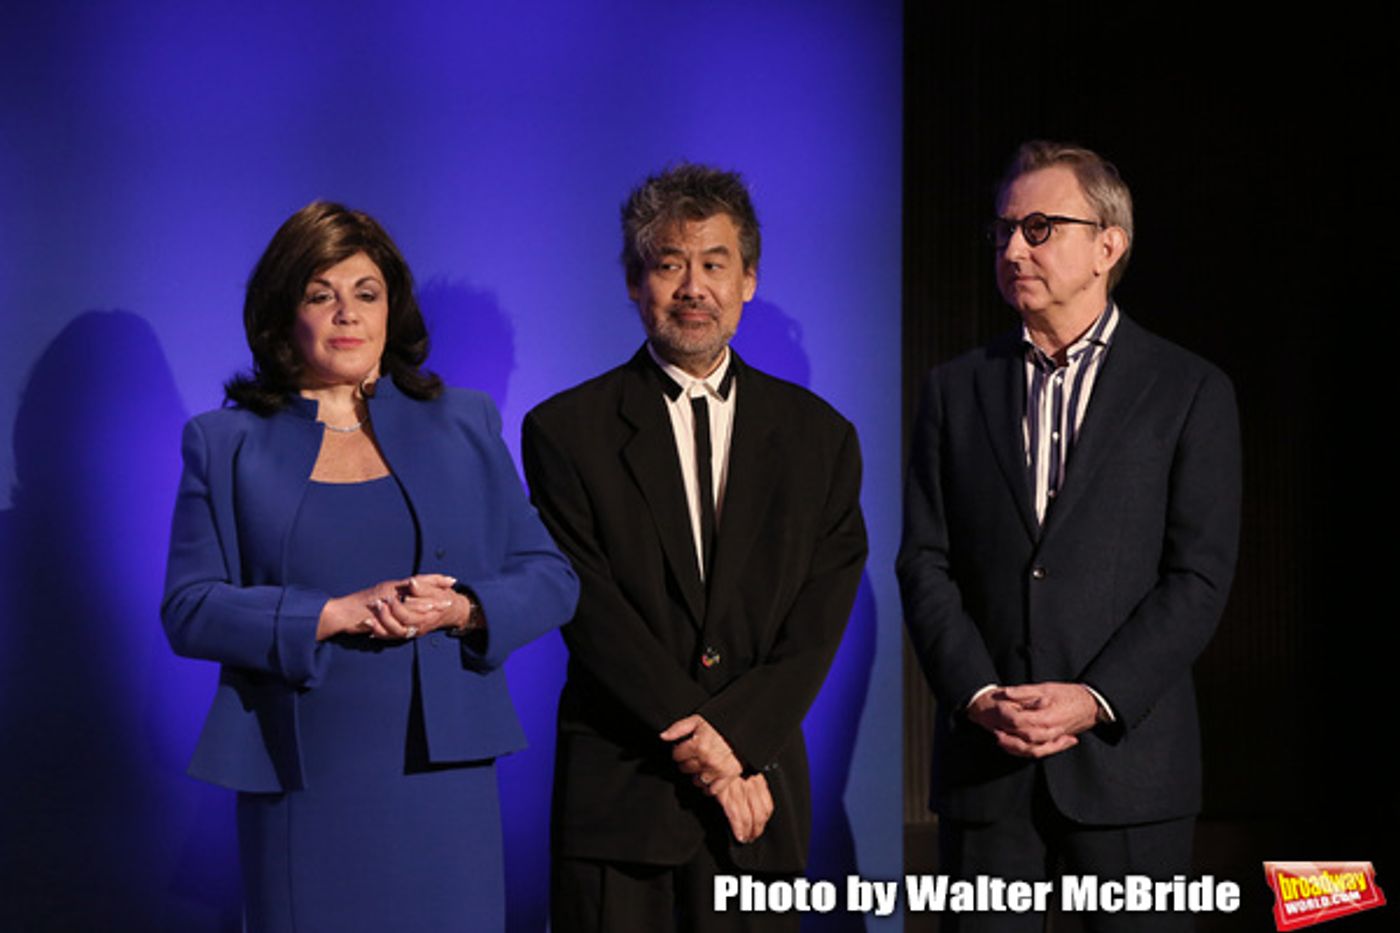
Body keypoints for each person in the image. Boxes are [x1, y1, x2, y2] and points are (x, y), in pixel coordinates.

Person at [161, 201, 578, 933]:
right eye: (320, 294)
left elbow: (551, 577)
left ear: (392, 309)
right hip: (300, 778)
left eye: (366, 293)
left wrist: (465, 608)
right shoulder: (225, 442)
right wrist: (331, 613)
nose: (346, 314)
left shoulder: (465, 421)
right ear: (283, 312)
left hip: (442, 781)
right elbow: (189, 607)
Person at [898, 141, 1241, 932]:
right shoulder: (954, 390)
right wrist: (982, 696)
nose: (1014, 248)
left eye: (1041, 227)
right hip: (990, 770)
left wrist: (1093, 698)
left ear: (1108, 245)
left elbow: (1198, 578)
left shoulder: (1189, 390)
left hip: (1130, 774)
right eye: (1005, 231)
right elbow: (925, 559)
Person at [521, 164, 867, 932]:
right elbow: (591, 610)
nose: (693, 287)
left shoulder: (821, 439)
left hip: (759, 799)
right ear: (634, 282)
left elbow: (816, 626)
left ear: (749, 279)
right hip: (620, 800)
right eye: (669, 263)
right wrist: (710, 750)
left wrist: (738, 741)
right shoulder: (564, 431)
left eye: (714, 263)